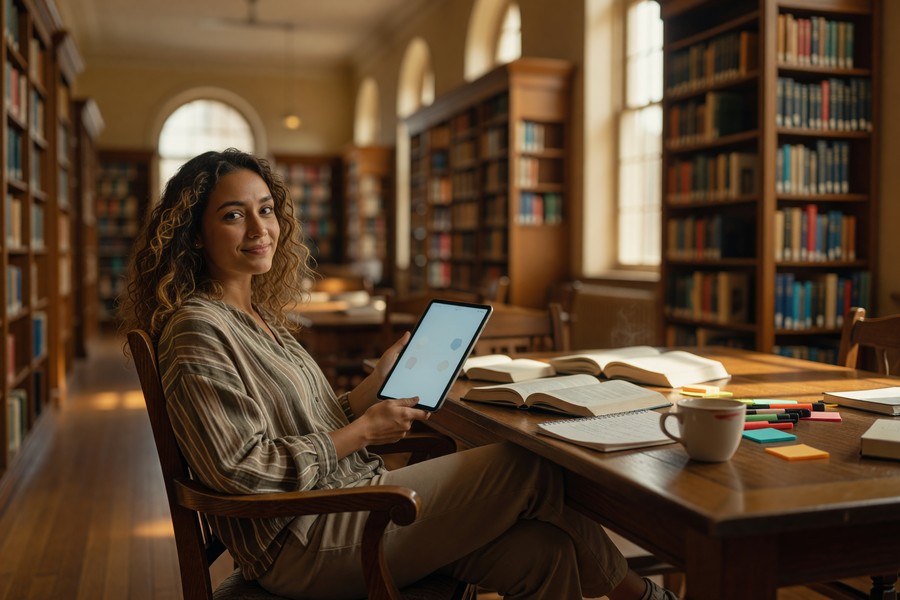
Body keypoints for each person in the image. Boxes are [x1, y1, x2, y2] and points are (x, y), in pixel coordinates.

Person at [120, 148, 678, 600]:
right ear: (193, 234)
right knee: (526, 462)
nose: (259, 227)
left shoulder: (257, 317)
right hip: (303, 538)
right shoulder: (198, 329)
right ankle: (646, 597)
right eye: (233, 214)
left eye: (266, 209)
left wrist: (367, 394)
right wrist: (363, 432)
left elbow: (302, 426)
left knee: (546, 555)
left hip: (351, 501)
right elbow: (243, 470)